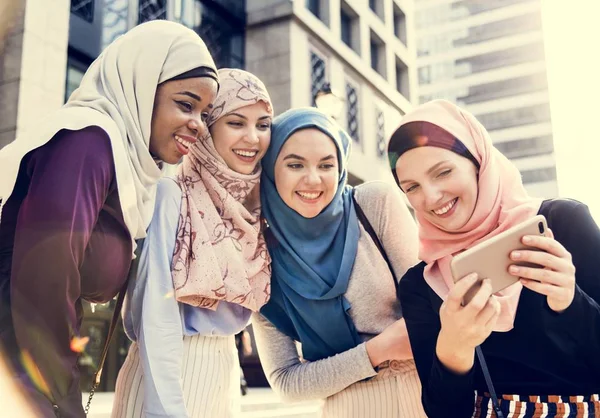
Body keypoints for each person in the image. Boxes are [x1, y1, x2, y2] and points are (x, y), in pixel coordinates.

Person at [0, 20, 219, 417]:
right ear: (140, 88)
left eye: (205, 113)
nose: (198, 125)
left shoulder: (128, 169)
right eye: (186, 105)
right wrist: (62, 399)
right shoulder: (87, 140)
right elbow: (45, 279)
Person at [388, 99, 600, 417]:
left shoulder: (563, 223)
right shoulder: (420, 284)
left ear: (478, 162)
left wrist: (570, 302)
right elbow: (444, 412)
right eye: (412, 187)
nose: (430, 197)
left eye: (443, 172)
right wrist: (454, 346)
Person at [111, 69, 273, 418]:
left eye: (263, 124)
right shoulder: (172, 194)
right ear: (208, 128)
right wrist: (165, 410)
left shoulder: (255, 209)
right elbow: (157, 312)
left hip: (225, 373)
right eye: (236, 122)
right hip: (167, 376)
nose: (253, 138)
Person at [252, 107, 426, 417]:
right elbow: (286, 381)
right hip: (345, 409)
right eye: (295, 164)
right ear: (270, 169)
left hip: (422, 398)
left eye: (326, 164)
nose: (313, 179)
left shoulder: (374, 205)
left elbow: (429, 312)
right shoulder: (259, 260)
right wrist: (377, 351)